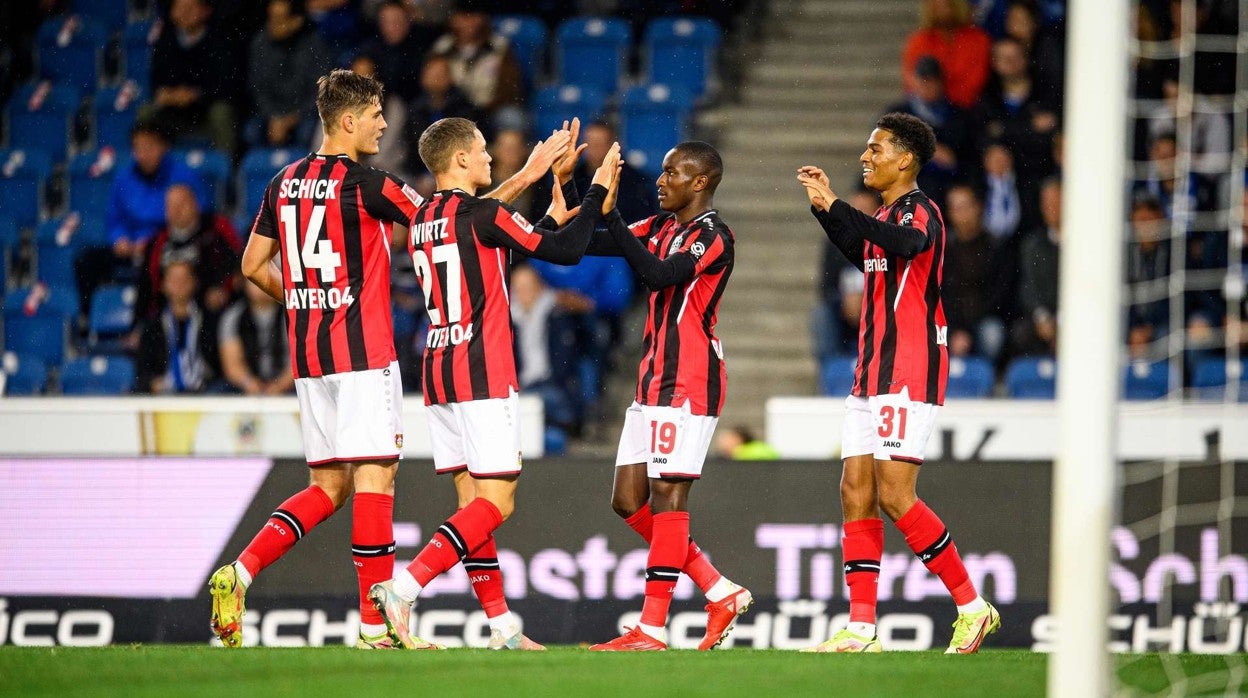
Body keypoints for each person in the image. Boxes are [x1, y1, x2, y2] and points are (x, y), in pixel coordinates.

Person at [208, 69, 570, 651]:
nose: (383, 125)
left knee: (327, 486)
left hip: (309, 356)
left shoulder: (282, 182)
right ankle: (378, 625)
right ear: (347, 122)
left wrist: (304, 303)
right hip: (361, 353)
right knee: (376, 482)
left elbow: (252, 265)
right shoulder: (370, 185)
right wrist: (526, 177)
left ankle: (241, 571)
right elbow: (446, 220)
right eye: (376, 115)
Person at [366, 116, 620, 651]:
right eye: (481, 150)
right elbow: (566, 252)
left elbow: (491, 234)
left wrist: (538, 196)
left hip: (438, 367)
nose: (488, 158)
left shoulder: (423, 218)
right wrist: (594, 189)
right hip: (482, 368)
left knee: (470, 507)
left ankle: (502, 626)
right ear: (459, 159)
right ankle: (405, 587)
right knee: (498, 503)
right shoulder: (485, 215)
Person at [797, 112, 999, 654]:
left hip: (908, 368)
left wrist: (840, 206)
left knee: (894, 494)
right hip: (871, 370)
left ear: (905, 157)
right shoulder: (887, 218)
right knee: (854, 491)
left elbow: (904, 245)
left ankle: (972, 606)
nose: (866, 156)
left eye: (876, 148)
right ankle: (861, 628)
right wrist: (826, 212)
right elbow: (865, 251)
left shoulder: (923, 213)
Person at [577, 141, 752, 653]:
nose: (660, 179)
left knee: (668, 496)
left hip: (690, 379)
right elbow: (589, 241)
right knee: (627, 500)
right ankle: (719, 590)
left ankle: (651, 630)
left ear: (700, 181)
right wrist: (574, 200)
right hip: (653, 378)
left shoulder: (712, 236)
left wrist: (609, 215)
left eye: (673, 171)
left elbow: (657, 273)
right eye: (662, 169)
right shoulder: (660, 228)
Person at [136, 183, 242, 325]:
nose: (176, 211)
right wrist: (139, 324)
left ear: (195, 204)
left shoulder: (217, 228)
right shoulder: (156, 242)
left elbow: (241, 264)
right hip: (167, 318)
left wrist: (224, 290)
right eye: (171, 206)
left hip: (214, 313)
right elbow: (146, 286)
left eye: (181, 204)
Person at [145, 0, 239, 153]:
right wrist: (170, 95)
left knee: (222, 113)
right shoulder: (165, 42)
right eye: (179, 8)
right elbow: (157, 82)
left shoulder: (220, 41)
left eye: (190, 8)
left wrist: (196, 95)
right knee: (146, 112)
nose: (184, 13)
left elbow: (227, 85)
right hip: (174, 112)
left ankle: (225, 169)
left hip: (206, 111)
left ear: (205, 11)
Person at [245, 0, 332, 148]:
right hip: (271, 114)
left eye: (279, 19)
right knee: (250, 132)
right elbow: (258, 88)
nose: (272, 24)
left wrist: (293, 118)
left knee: (308, 132)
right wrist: (273, 116)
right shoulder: (260, 43)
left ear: (296, 21)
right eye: (271, 18)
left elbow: (320, 92)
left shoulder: (314, 45)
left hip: (305, 114)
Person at [134, 260, 217, 394]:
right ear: (163, 285)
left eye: (184, 278)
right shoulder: (153, 325)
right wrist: (153, 382)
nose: (179, 284)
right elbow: (143, 370)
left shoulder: (210, 321)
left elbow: (219, 366)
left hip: (204, 391)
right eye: (173, 279)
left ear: (195, 282)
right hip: (164, 392)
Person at [902, 0, 993, 110]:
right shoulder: (918, 40)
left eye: (947, 5)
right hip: (927, 106)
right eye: (936, 6)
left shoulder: (978, 39)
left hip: (966, 109)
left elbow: (975, 81)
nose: (942, 10)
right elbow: (912, 79)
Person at [218, 278, 294, 395]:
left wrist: (279, 386)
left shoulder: (293, 315)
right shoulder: (233, 317)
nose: (262, 284)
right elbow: (231, 365)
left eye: (267, 277)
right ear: (245, 284)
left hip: (289, 386)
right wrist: (249, 383)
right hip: (244, 386)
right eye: (255, 280)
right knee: (217, 392)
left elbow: (301, 359)